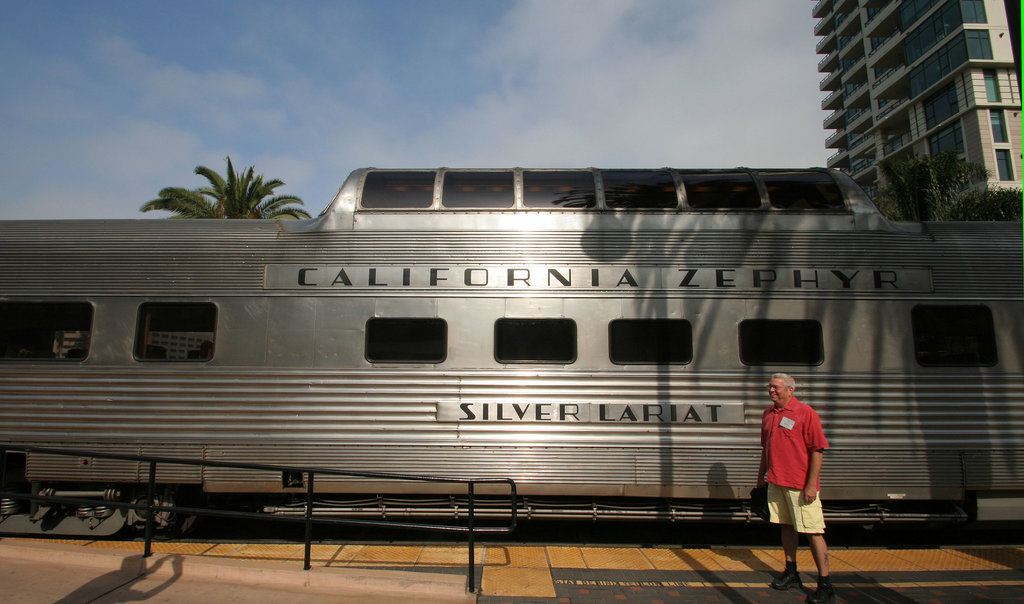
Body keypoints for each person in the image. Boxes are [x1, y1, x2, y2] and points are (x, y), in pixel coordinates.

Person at [757, 373, 835, 604]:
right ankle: (791, 572)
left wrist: (811, 484)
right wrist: (761, 477)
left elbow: (817, 450)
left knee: (813, 531)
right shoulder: (768, 414)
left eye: (776, 387)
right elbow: (766, 448)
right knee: (786, 527)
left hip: (800, 485)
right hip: (776, 481)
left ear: (791, 390)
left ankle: (825, 584)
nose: (772, 391)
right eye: (770, 387)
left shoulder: (805, 413)